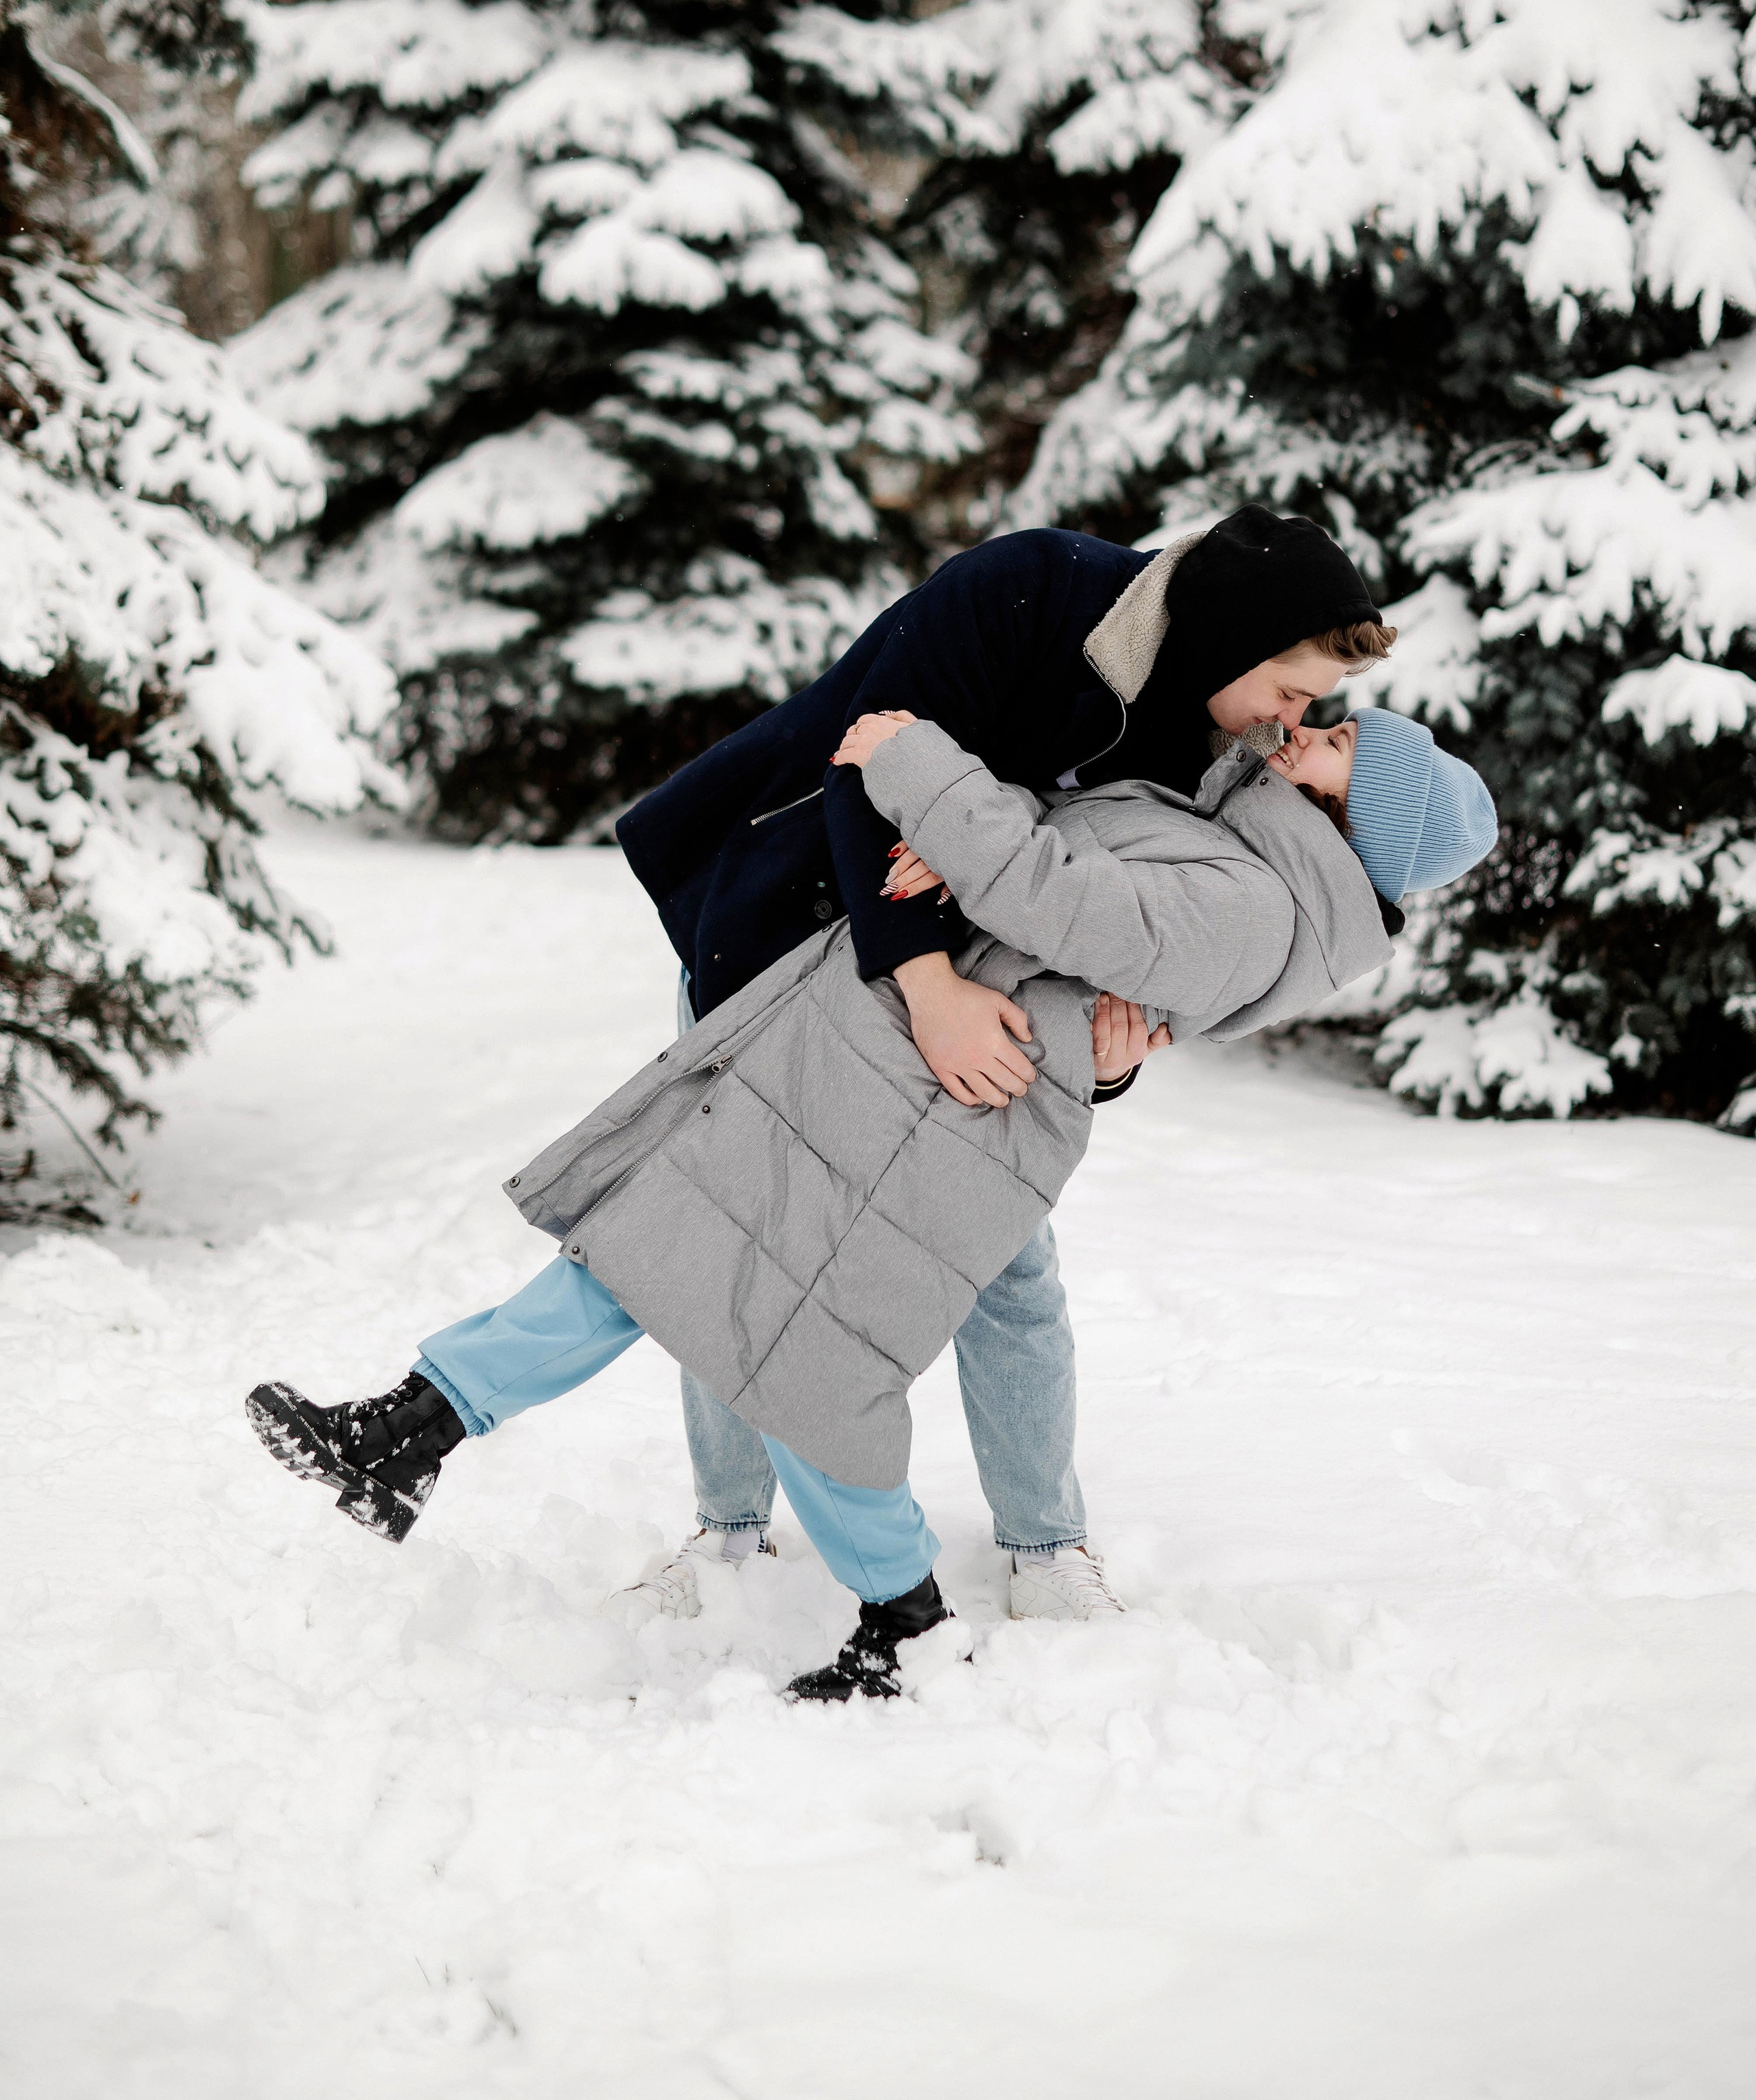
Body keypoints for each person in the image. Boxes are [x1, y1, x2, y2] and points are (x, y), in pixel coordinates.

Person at [244, 692, 1497, 1704]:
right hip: (895, 1056)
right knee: (671, 1245)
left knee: (798, 1340)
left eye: (1335, 746)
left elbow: (1062, 899)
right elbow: (1064, 887)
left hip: (944, 1111)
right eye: (1326, 718)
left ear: (1355, 825)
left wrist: (920, 766)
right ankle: (413, 1429)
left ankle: (905, 1617)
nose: (1303, 731)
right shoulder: (1233, 840)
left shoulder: (1253, 900)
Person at [599, 506, 1398, 1625]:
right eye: (1290, 686)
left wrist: (1116, 1049)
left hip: (977, 1011)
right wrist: (924, 980)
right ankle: (729, 1531)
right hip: (789, 918)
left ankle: (1046, 1549)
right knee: (735, 1226)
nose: (1294, 721)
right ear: (1233, 634)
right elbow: (865, 749)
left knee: (1007, 1268)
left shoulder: (1215, 745)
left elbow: (1116, 920)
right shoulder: (1035, 585)